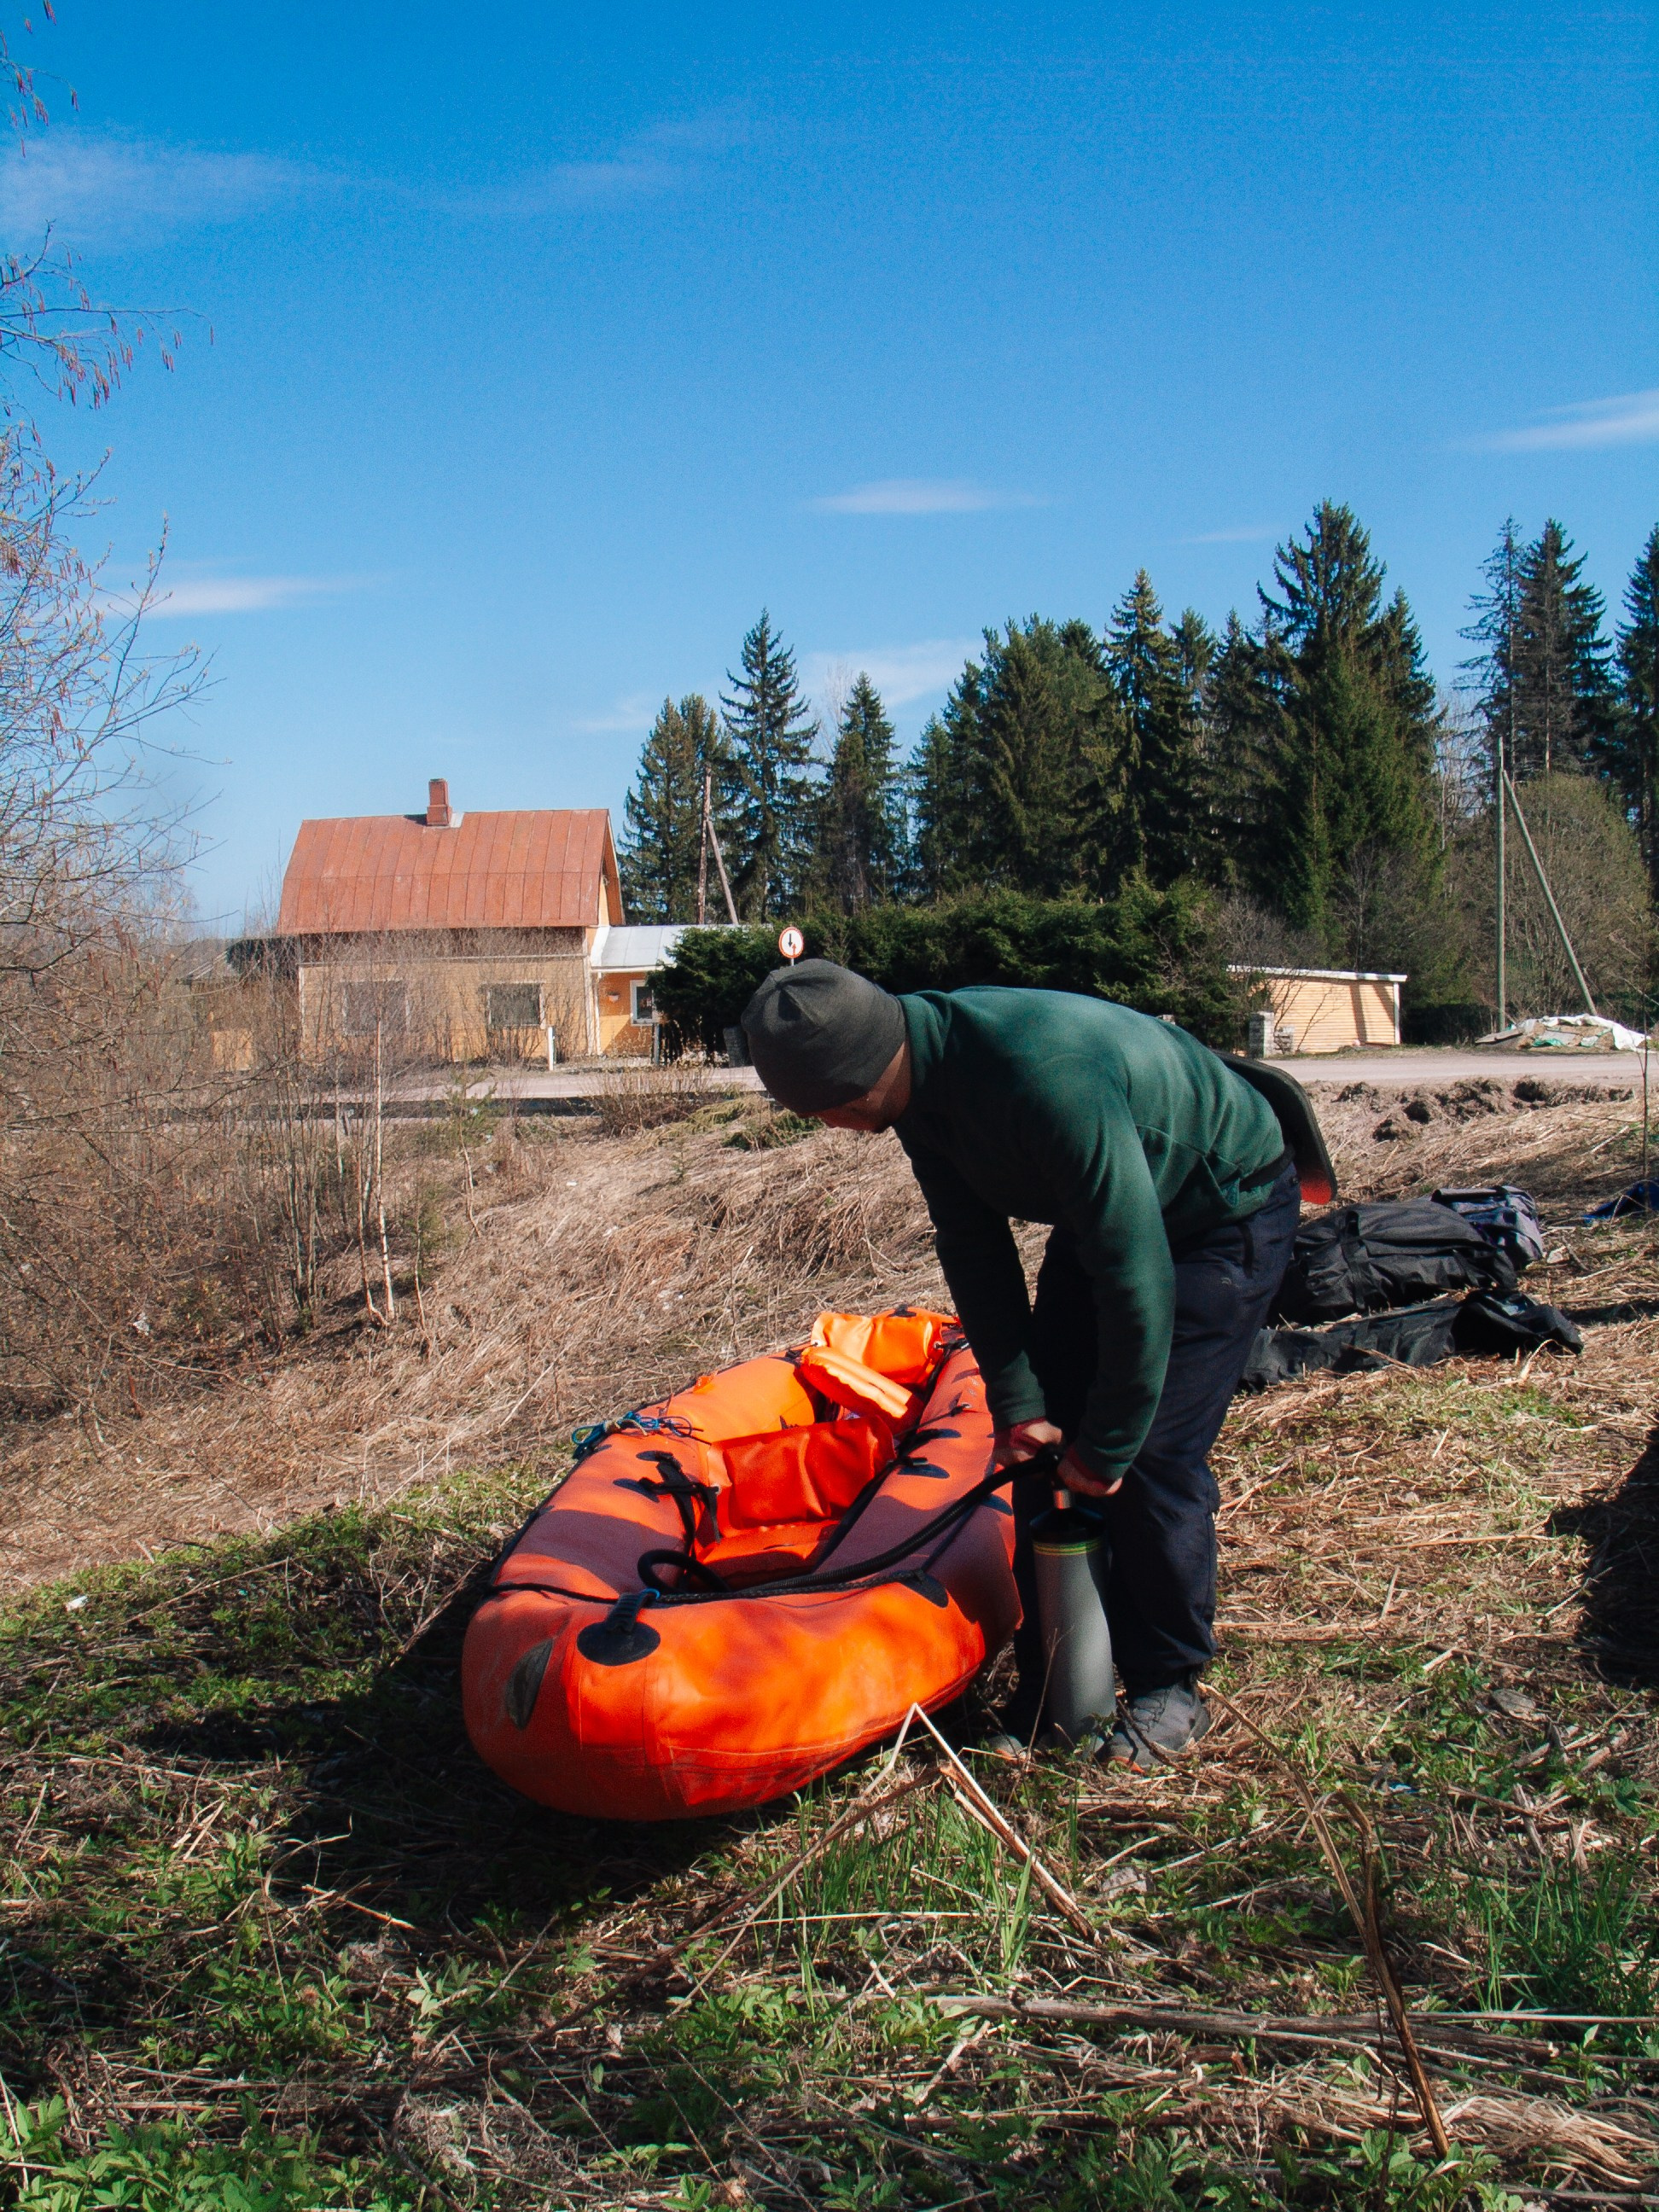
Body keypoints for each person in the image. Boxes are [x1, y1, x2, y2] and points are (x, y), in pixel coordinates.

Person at [741, 959, 1302, 1769]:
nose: (829, 1127)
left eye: (827, 1111)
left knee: (1149, 1456)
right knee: (1040, 1460)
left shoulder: (1042, 1078)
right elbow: (973, 1244)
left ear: (863, 1078)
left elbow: (1135, 1273)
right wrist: (1019, 1402)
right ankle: (1054, 1687)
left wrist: (1107, 1444)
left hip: (1221, 1207)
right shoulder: (913, 1085)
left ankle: (1169, 1683)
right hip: (1107, 1209)